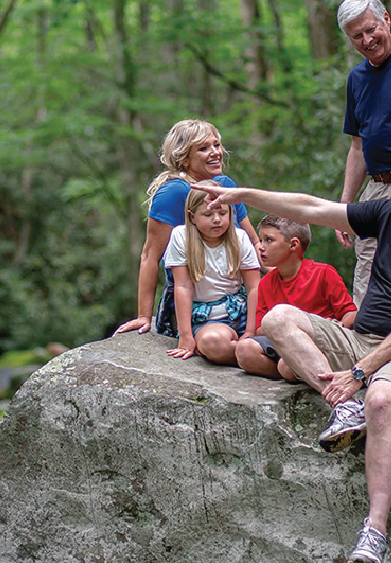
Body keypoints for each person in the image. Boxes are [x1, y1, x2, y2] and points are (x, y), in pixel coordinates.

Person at [192, 138, 391, 563]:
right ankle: (344, 407)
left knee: (380, 401)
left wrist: (361, 373)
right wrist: (243, 194)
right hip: (361, 338)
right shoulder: (390, 212)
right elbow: (309, 208)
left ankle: (374, 531)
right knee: (278, 319)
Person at [113, 119, 259, 337]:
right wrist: (144, 316)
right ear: (184, 158)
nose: (215, 152)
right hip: (194, 302)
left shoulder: (226, 185)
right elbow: (149, 256)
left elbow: (254, 242)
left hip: (235, 295)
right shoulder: (173, 193)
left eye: (216, 145)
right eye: (203, 148)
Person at [334, 0, 391, 307]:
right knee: (367, 271)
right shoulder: (357, 78)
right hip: (375, 187)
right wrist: (345, 204)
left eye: (371, 29)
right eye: (357, 36)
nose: (367, 40)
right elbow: (358, 146)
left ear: (387, 20)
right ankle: (368, 348)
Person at [234, 214, 357, 379]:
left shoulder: (323, 273)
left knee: (288, 366)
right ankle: (293, 373)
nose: (261, 247)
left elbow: (350, 314)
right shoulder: (266, 283)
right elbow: (259, 329)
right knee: (244, 351)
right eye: (261, 240)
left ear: (293, 244)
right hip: (280, 343)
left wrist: (339, 324)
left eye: (269, 240)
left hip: (316, 344)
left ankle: (296, 371)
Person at [164, 180, 261, 363]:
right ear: (192, 217)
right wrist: (185, 335)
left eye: (222, 213)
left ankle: (253, 350)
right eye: (208, 214)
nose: (217, 219)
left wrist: (250, 331)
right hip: (207, 320)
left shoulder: (240, 238)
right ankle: (253, 354)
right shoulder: (180, 236)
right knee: (213, 343)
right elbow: (183, 286)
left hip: (241, 313)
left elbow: (254, 287)